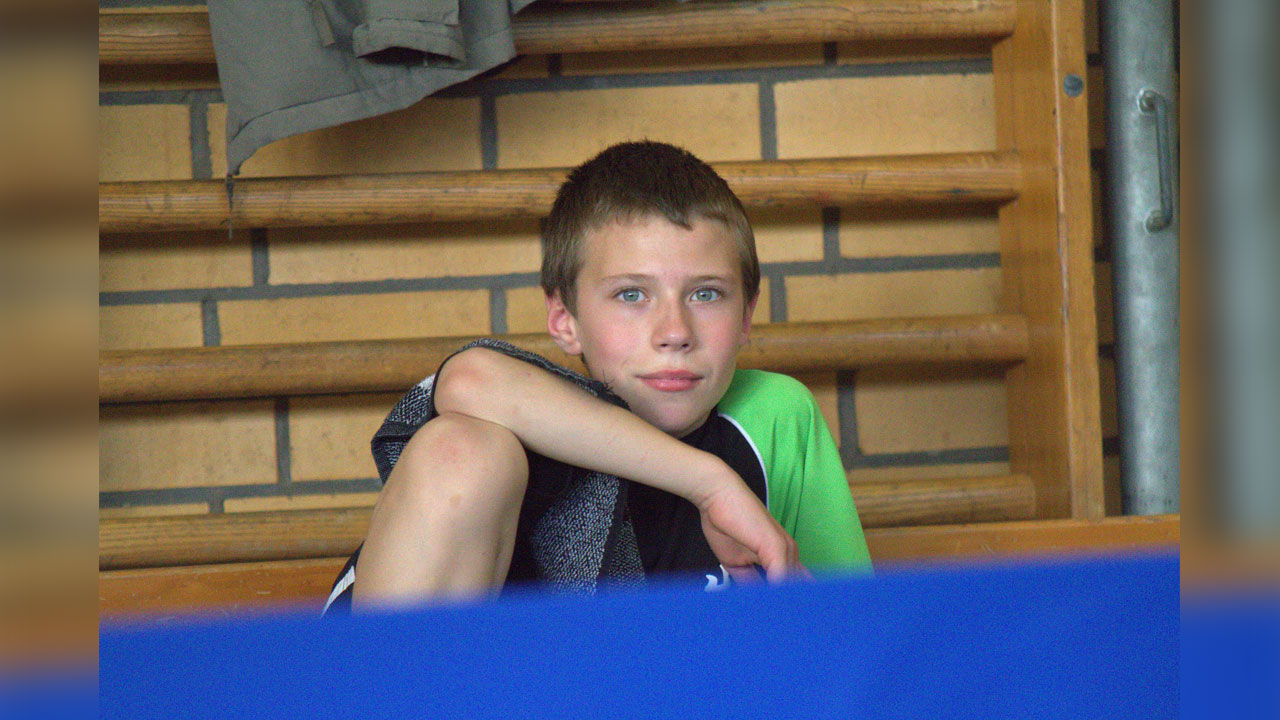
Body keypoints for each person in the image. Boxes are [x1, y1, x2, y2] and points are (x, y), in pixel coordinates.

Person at [325, 141, 870, 612]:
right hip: (412, 675)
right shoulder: (520, 408)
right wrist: (712, 484)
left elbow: (848, 630)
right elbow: (469, 380)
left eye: (706, 294)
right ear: (565, 319)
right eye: (631, 295)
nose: (674, 332)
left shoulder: (775, 416)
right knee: (462, 449)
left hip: (644, 685)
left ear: (747, 315)